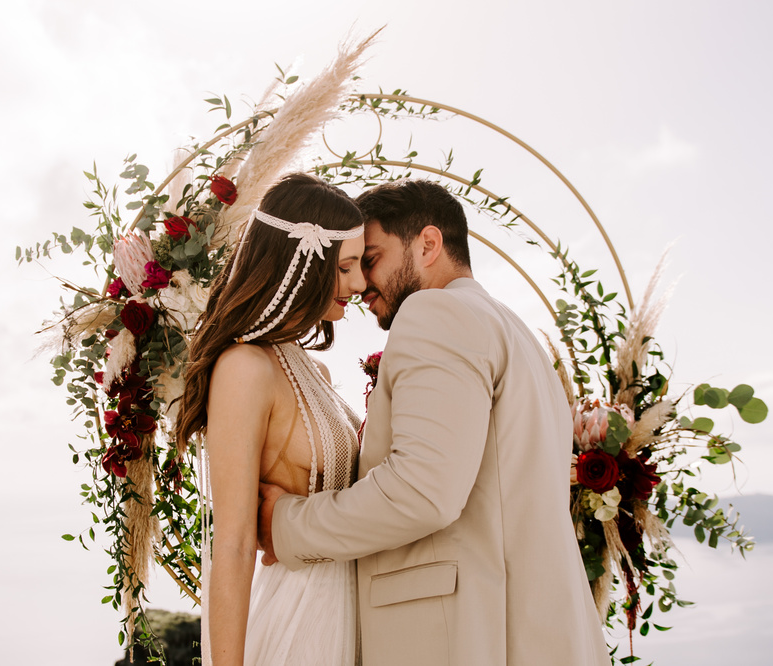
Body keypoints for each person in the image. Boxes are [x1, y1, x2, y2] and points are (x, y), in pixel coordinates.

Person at [258, 179, 609, 665]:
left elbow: (423, 491)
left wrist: (287, 525)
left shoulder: (435, 312)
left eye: (371, 257)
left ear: (427, 244)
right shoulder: (517, 334)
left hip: (466, 638)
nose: (359, 283)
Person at [177, 173, 367, 666]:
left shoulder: (313, 368)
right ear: (303, 265)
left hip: (357, 611)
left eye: (361, 266)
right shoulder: (244, 370)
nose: (360, 283)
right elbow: (236, 543)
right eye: (346, 267)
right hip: (302, 621)